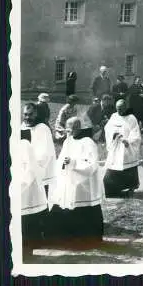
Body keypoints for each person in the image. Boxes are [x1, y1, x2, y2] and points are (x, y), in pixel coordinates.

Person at [47, 117, 104, 249]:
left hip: (84, 183)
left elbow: (91, 164)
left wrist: (73, 163)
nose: (68, 131)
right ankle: (65, 236)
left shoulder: (88, 142)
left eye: (70, 128)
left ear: (78, 128)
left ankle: (87, 239)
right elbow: (61, 159)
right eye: (67, 128)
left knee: (81, 205)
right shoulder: (68, 141)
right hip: (68, 180)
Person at [103, 99, 142, 197]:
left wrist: (128, 141)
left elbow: (135, 132)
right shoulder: (114, 116)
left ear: (125, 107)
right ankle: (112, 188)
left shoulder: (131, 118)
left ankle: (130, 188)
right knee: (112, 169)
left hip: (126, 148)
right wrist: (114, 134)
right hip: (116, 147)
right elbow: (107, 128)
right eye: (117, 109)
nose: (119, 111)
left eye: (121, 109)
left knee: (128, 168)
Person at [19, 137, 48, 257]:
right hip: (20, 184)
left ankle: (33, 242)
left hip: (27, 185)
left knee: (29, 215)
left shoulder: (24, 145)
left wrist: (21, 184)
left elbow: (31, 169)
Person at [21, 103, 56, 198]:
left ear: (36, 114)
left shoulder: (42, 128)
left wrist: (33, 169)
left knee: (40, 200)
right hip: (26, 171)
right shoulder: (23, 126)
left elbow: (44, 155)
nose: (27, 117)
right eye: (25, 114)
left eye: (30, 114)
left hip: (40, 173)